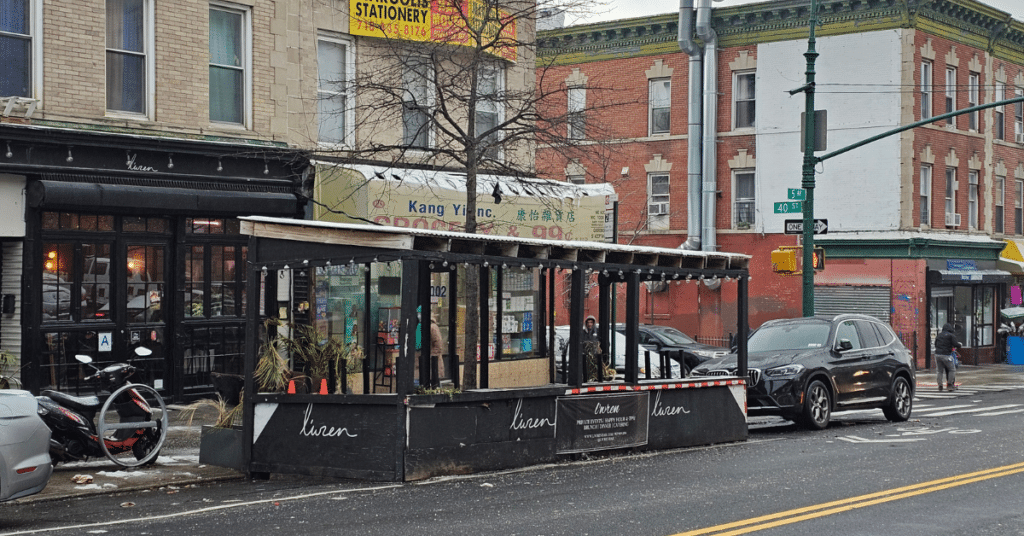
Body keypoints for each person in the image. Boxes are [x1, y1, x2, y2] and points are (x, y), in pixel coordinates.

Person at [934, 322, 962, 392]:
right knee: (952, 369)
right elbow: (955, 344)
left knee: (939, 371)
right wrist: (959, 345)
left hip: (937, 355)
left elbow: (935, 344)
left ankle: (940, 385)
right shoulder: (951, 336)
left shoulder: (939, 335)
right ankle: (950, 385)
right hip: (946, 355)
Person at [429, 314, 445, 379]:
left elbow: (438, 344)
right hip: (432, 360)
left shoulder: (432, 327)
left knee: (435, 379)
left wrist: (432, 356)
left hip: (433, 360)